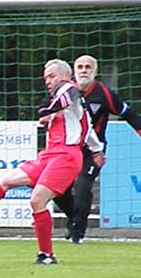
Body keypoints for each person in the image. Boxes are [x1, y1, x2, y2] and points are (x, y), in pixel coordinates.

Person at [0, 59, 105, 265]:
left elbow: (68, 96)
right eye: (45, 77)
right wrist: (97, 150)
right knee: (6, 180)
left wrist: (48, 111)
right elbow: (87, 130)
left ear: (64, 76)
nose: (47, 81)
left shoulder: (68, 89)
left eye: (51, 76)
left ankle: (46, 255)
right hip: (49, 155)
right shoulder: (72, 105)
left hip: (65, 156)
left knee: (37, 200)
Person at [54, 54, 141, 244]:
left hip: (93, 152)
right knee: (57, 189)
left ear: (95, 71)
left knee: (83, 186)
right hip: (67, 149)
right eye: (80, 67)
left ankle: (78, 234)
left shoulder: (105, 94)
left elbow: (129, 114)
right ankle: (73, 218)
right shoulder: (65, 92)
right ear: (74, 71)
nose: (84, 70)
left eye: (88, 67)